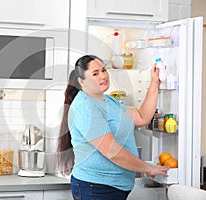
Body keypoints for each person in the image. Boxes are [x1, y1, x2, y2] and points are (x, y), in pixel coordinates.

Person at [57, 55, 169, 200]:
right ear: (81, 82)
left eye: (104, 70)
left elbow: (142, 117)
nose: (103, 76)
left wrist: (154, 82)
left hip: (113, 188)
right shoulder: (85, 107)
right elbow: (113, 152)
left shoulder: (108, 100)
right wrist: (148, 168)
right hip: (96, 188)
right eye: (95, 74)